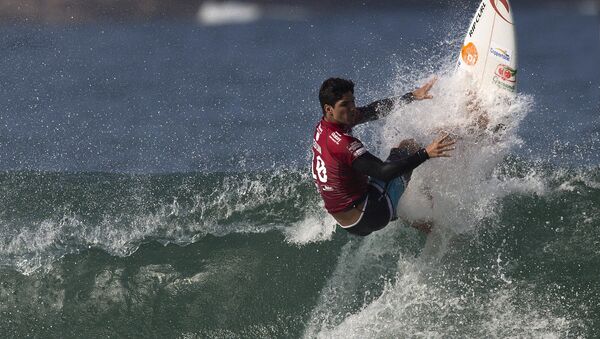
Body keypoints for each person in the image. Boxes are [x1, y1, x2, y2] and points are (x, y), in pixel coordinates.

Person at [310, 77, 455, 236]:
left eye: (353, 101)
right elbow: (384, 172)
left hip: (348, 220)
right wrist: (426, 153)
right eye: (345, 104)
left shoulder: (325, 127)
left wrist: (412, 96)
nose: (352, 108)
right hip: (368, 213)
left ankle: (423, 225)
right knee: (409, 147)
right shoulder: (342, 143)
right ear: (329, 108)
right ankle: (464, 131)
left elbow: (373, 111)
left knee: (387, 178)